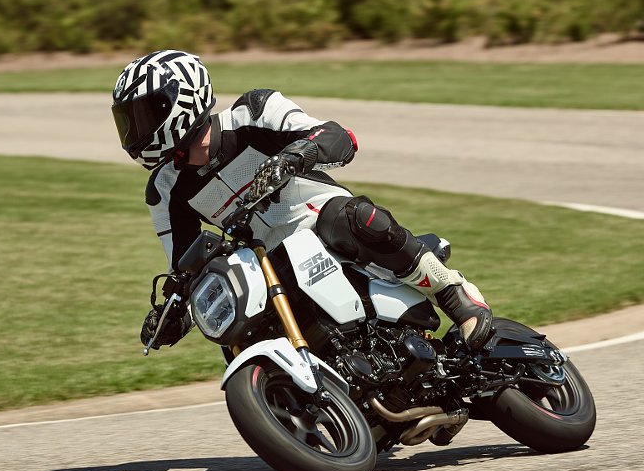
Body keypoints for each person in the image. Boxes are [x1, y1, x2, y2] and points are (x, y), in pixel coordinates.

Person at [112, 50, 492, 352]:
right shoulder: (164, 189)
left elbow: (338, 137)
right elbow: (186, 265)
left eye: (145, 115)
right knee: (236, 322)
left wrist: (294, 157)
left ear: (183, 101)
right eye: (128, 120)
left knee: (351, 217)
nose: (136, 130)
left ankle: (454, 294)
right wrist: (175, 313)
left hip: (320, 219)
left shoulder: (254, 111)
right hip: (269, 261)